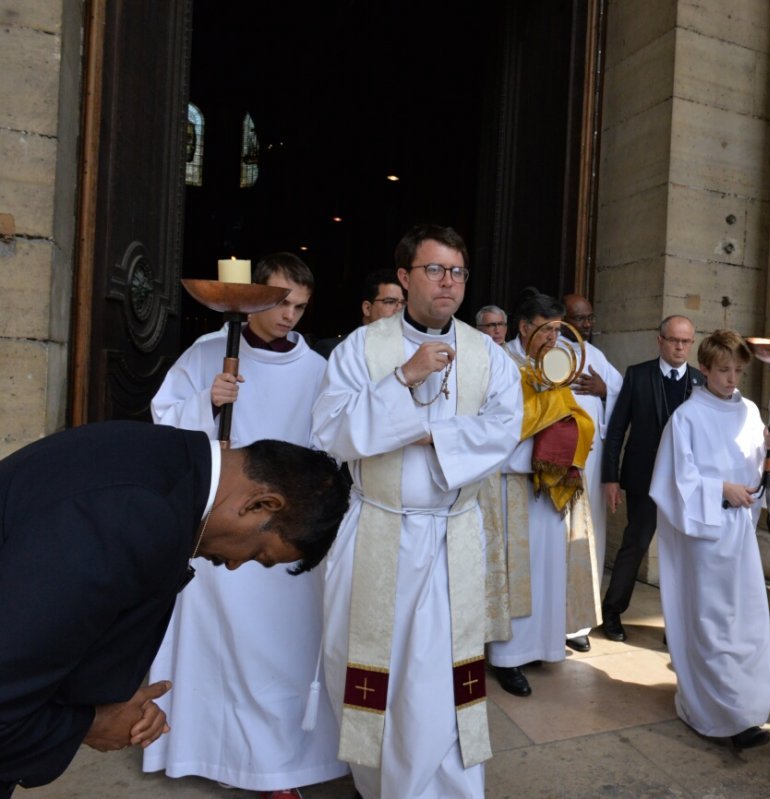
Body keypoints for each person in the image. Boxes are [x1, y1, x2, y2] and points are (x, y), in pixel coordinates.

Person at [0, 421, 349, 799]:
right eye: (258, 554)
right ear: (261, 503)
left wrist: (113, 697)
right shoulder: (141, 516)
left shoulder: (165, 455)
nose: (233, 565)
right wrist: (89, 724)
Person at [312, 224, 522, 799]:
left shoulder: (487, 355)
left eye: (457, 272)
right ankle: (380, 781)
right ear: (404, 278)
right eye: (434, 270)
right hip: (378, 528)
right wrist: (404, 378)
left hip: (453, 537)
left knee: (442, 676)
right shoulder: (365, 348)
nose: (448, 283)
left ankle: (447, 788)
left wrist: (436, 437)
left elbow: (506, 428)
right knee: (367, 664)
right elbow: (330, 429)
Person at [143, 253, 345, 798]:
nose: (290, 317)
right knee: (217, 645)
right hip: (222, 532)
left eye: (301, 307)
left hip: (281, 540)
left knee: (281, 653)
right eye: (280, 303)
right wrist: (209, 402)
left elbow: (333, 447)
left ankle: (279, 765)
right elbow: (164, 421)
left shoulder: (319, 371)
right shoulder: (211, 352)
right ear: (253, 297)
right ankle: (210, 749)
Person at [648, 329, 770, 750]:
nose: (732, 378)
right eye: (723, 370)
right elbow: (674, 482)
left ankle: (745, 711)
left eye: (739, 370)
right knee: (711, 623)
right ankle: (710, 711)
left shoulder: (748, 412)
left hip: (740, 534)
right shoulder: (686, 418)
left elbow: (768, 482)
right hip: (704, 535)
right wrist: (719, 489)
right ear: (703, 368)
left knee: (744, 623)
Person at [485, 289, 599, 695]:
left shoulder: (556, 363)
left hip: (549, 485)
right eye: (545, 332)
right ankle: (507, 657)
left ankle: (543, 645)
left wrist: (567, 429)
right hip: (510, 482)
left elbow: (573, 411)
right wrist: (546, 417)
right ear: (524, 327)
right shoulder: (500, 362)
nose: (553, 341)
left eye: (556, 332)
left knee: (547, 567)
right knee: (516, 571)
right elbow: (499, 422)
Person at [599, 315, 703, 641]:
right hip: (644, 479)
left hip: (687, 485)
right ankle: (612, 613)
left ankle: (677, 624)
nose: (680, 347)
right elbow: (617, 430)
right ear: (660, 341)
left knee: (684, 556)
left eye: (686, 341)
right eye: (674, 340)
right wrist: (610, 478)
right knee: (635, 545)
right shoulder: (637, 375)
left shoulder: (702, 382)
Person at [561, 293, 623, 651]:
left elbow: (622, 394)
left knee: (590, 534)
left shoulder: (596, 356)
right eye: (578, 318)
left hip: (592, 460)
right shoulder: (548, 350)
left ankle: (579, 622)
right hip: (557, 458)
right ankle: (550, 616)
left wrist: (604, 391)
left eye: (589, 318)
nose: (585, 325)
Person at [313, 269, 405, 358]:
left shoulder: (408, 351)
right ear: (367, 308)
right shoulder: (334, 349)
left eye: (403, 303)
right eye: (390, 301)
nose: (399, 308)